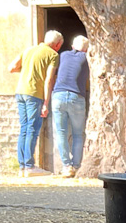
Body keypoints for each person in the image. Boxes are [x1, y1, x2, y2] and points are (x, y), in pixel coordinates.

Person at [10, 30, 63, 177]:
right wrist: (46, 102)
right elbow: (49, 80)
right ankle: (29, 166)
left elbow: (12, 67)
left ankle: (22, 167)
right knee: (32, 129)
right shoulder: (53, 55)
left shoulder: (29, 50)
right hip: (34, 94)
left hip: (20, 91)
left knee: (24, 128)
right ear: (57, 44)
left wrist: (27, 70)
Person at [50, 35, 91, 177]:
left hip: (58, 95)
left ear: (72, 46)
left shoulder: (63, 55)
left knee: (61, 132)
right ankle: (76, 166)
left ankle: (66, 166)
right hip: (76, 96)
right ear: (86, 50)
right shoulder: (87, 58)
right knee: (78, 134)